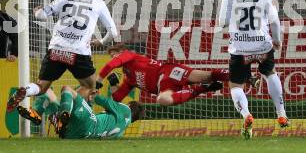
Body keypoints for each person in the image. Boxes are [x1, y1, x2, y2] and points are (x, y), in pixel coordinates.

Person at [7, 0, 118, 112]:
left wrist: (36, 11)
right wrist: (101, 42)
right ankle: (63, 112)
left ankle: (25, 91)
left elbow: (41, 16)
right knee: (90, 87)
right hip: (78, 52)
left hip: (57, 49)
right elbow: (113, 32)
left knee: (41, 87)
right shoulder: (98, 2)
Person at [216, 0, 289, 139]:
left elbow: (222, 21)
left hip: (240, 47)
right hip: (262, 44)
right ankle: (281, 115)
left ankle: (246, 115)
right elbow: (274, 20)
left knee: (235, 85)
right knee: (270, 73)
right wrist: (278, 40)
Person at [96, 43, 229, 106]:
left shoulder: (130, 55)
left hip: (168, 72)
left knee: (209, 75)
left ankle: (242, 75)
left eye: (115, 55)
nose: (113, 59)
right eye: (112, 57)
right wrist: (113, 85)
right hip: (164, 87)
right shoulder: (129, 79)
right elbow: (117, 98)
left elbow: (110, 65)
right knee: (163, 100)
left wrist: (99, 79)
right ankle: (202, 88)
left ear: (123, 52)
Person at [18, 85, 144, 139]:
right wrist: (88, 102)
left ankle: (61, 118)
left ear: (129, 105)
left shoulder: (125, 109)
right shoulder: (121, 131)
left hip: (90, 123)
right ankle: (40, 115)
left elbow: (107, 102)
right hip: (76, 134)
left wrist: (95, 96)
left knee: (66, 89)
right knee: (47, 92)